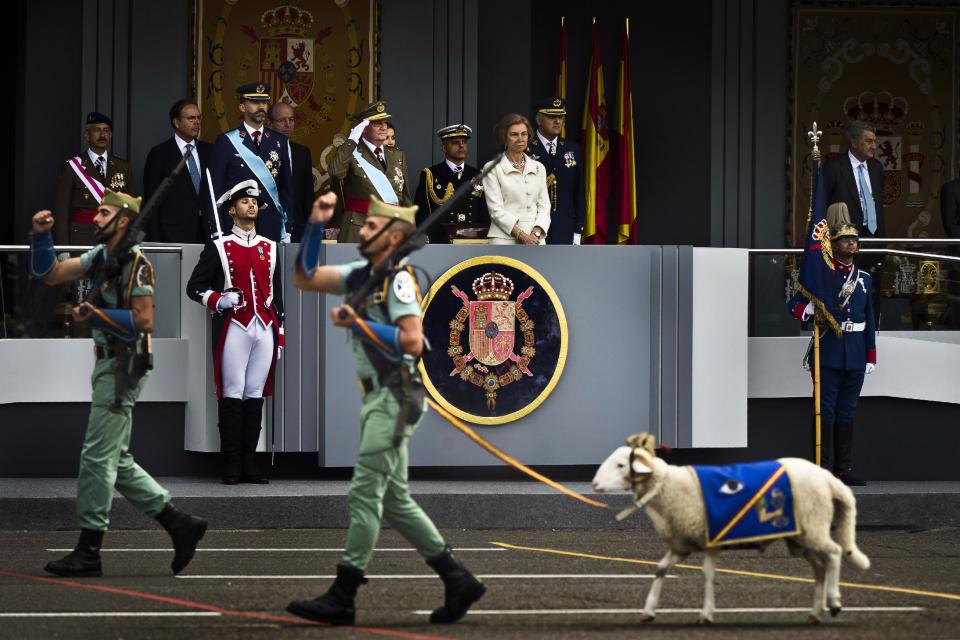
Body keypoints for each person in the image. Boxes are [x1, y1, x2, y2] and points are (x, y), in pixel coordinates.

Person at [287, 192, 485, 626]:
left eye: (373, 227)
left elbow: (413, 341)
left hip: (394, 397)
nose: (363, 229)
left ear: (393, 236)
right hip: (379, 397)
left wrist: (358, 323)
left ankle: (344, 595)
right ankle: (458, 579)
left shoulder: (396, 280)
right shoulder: (362, 274)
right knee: (394, 501)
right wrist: (317, 225)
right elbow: (304, 276)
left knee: (363, 494)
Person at [29, 191, 207, 577]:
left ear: (123, 221)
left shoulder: (136, 264)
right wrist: (41, 236)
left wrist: (96, 317)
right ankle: (180, 523)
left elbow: (143, 321)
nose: (95, 218)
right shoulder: (101, 257)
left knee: (95, 457)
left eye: (104, 213)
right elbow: (52, 273)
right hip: (108, 365)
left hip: (124, 367)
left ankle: (89, 550)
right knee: (117, 460)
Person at [186, 180, 283, 485]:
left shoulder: (271, 247)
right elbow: (194, 287)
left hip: (265, 327)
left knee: (255, 395)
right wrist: (218, 298)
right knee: (232, 394)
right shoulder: (219, 246)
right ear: (231, 209)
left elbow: (277, 298)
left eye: (254, 202)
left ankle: (249, 463)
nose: (251, 205)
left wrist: (280, 335)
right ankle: (230, 464)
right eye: (244, 201)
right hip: (235, 327)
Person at [788, 223, 876, 486]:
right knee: (824, 412)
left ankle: (844, 467)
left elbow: (869, 318)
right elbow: (794, 304)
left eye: (854, 239)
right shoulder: (821, 275)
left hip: (856, 352)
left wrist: (870, 355)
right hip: (828, 352)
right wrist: (810, 311)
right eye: (844, 239)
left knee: (847, 412)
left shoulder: (865, 279)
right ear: (833, 245)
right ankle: (823, 468)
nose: (851, 243)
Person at [210, 82, 294, 243]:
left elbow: (286, 189)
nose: (261, 106)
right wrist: (217, 228)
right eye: (255, 102)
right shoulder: (227, 141)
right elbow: (216, 189)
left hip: (271, 223)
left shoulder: (280, 141)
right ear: (242, 107)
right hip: (237, 225)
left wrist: (287, 227)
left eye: (264, 102)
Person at [328, 101, 412, 243]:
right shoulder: (351, 153)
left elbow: (405, 196)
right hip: (360, 228)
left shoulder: (397, 155)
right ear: (363, 128)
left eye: (384, 122)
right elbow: (336, 172)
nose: (383, 127)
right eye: (376, 123)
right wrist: (352, 140)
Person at [53, 112, 135, 245]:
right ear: (87, 135)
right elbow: (61, 211)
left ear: (111, 135)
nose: (102, 135)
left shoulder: (123, 166)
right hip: (82, 239)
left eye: (106, 131)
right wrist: (63, 248)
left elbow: (130, 209)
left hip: (114, 238)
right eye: (97, 130)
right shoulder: (72, 167)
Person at [143, 99, 214, 244]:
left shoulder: (210, 151)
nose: (197, 122)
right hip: (172, 235)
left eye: (198, 118)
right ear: (176, 122)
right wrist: (156, 241)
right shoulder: (160, 153)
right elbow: (152, 201)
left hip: (208, 234)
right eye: (191, 118)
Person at [413, 124, 490, 243]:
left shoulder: (477, 174)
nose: (461, 146)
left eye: (464, 142)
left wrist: (483, 236)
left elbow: (484, 212)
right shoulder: (431, 174)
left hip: (472, 241)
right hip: (441, 240)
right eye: (455, 142)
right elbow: (423, 211)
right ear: (444, 147)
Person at [482, 113, 550, 245]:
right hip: (504, 240)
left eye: (524, 134)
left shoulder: (539, 167)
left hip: (536, 240)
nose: (520, 139)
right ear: (504, 138)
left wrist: (535, 233)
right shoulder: (492, 168)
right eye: (514, 134)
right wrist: (523, 236)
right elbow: (496, 210)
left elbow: (544, 206)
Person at [526, 98, 585, 245]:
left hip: (565, 226)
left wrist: (578, 230)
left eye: (561, 117)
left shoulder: (572, 149)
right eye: (552, 117)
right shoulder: (526, 148)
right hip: (533, 228)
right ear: (539, 119)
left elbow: (579, 191)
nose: (557, 121)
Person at [822, 120, 885, 237]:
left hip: (876, 237)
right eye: (869, 142)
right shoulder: (833, 168)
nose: (874, 146)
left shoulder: (876, 167)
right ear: (854, 142)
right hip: (845, 239)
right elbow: (822, 205)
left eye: (874, 141)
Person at [267, 102, 315, 241]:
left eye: (291, 120)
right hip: (268, 225)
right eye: (282, 120)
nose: (288, 125)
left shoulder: (302, 152)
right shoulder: (260, 150)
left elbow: (307, 194)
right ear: (269, 123)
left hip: (297, 227)